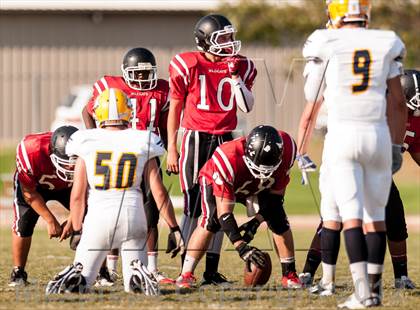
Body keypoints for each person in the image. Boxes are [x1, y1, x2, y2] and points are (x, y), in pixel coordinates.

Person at [297, 0, 407, 308]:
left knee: (351, 216)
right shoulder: (387, 40)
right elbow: (398, 103)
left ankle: (362, 293)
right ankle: (375, 290)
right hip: (379, 135)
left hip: (343, 135)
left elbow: (310, 97)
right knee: (376, 218)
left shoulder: (325, 40)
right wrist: (396, 146)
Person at [46, 88, 184, 295]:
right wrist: (174, 228)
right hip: (133, 216)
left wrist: (76, 228)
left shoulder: (85, 141)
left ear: (98, 113)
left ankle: (77, 276)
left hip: (98, 218)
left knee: (84, 275)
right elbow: (159, 192)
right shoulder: (143, 139)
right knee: (133, 283)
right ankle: (137, 274)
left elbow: (77, 196)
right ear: (129, 112)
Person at [299, 69, 419, 291]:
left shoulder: (413, 121)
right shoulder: (377, 110)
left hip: (378, 174)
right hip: (352, 167)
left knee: (394, 218)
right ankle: (308, 271)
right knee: (332, 220)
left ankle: (400, 277)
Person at [166, 13, 257, 285]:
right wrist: (172, 146)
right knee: (194, 208)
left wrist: (234, 76)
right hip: (196, 138)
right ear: (205, 41)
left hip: (226, 140)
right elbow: (175, 108)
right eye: (222, 38)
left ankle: (211, 271)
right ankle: (185, 270)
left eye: (230, 36)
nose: (229, 42)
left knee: (221, 206)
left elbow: (246, 106)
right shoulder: (187, 64)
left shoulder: (241, 65)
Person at [81, 47, 173, 285]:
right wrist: (98, 137)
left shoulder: (161, 91)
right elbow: (87, 111)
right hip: (119, 155)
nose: (142, 78)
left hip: (145, 154)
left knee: (150, 212)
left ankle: (151, 268)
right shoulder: (110, 86)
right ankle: (109, 270)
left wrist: (167, 147)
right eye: (137, 74)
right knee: (115, 210)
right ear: (126, 73)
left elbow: (164, 124)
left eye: (147, 73)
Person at [176, 125, 301, 289]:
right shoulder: (228, 157)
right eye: (260, 169)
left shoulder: (288, 149)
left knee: (278, 218)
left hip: (256, 185)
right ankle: (186, 274)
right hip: (222, 178)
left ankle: (289, 274)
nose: (265, 173)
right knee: (211, 220)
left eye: (269, 170)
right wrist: (242, 247)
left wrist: (255, 222)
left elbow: (275, 201)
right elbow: (224, 214)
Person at [9, 125, 78, 286]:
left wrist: (73, 220)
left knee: (92, 218)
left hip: (71, 187)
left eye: (73, 162)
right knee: (23, 223)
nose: (70, 167)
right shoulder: (31, 150)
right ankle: (18, 272)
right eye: (66, 162)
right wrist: (50, 220)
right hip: (36, 186)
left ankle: (101, 272)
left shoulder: (87, 152)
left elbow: (85, 195)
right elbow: (29, 193)